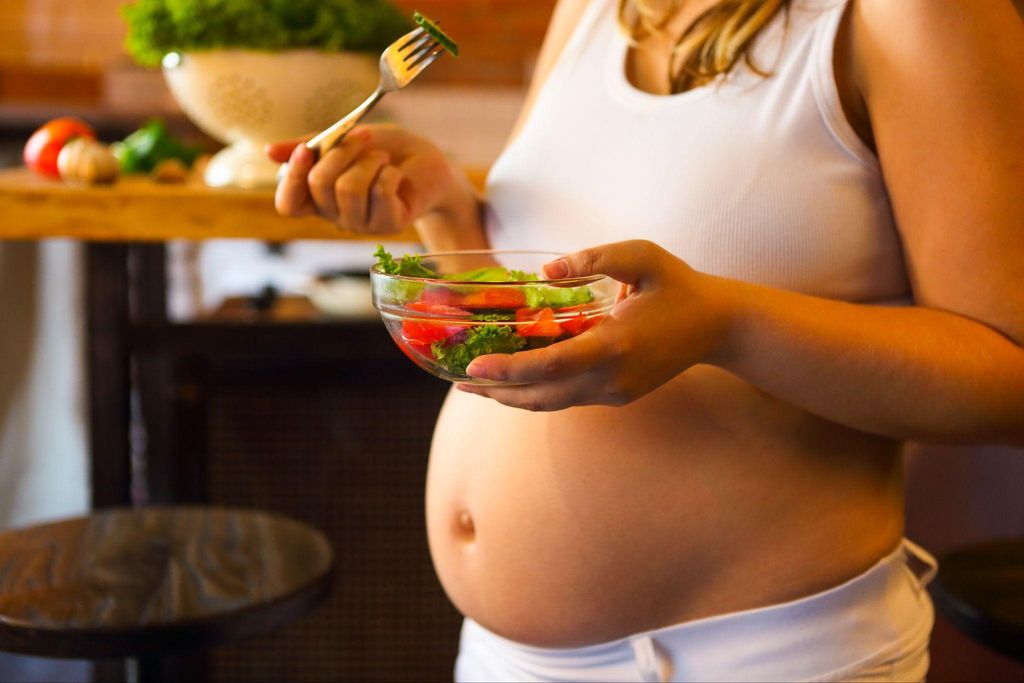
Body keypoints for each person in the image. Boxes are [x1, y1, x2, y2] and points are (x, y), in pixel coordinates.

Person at [268, 0, 1024, 680]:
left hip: (757, 658)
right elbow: (556, 297)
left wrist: (727, 324)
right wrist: (441, 203)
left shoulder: (919, 14)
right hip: (505, 659)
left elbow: (1009, 375)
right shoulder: (592, 11)